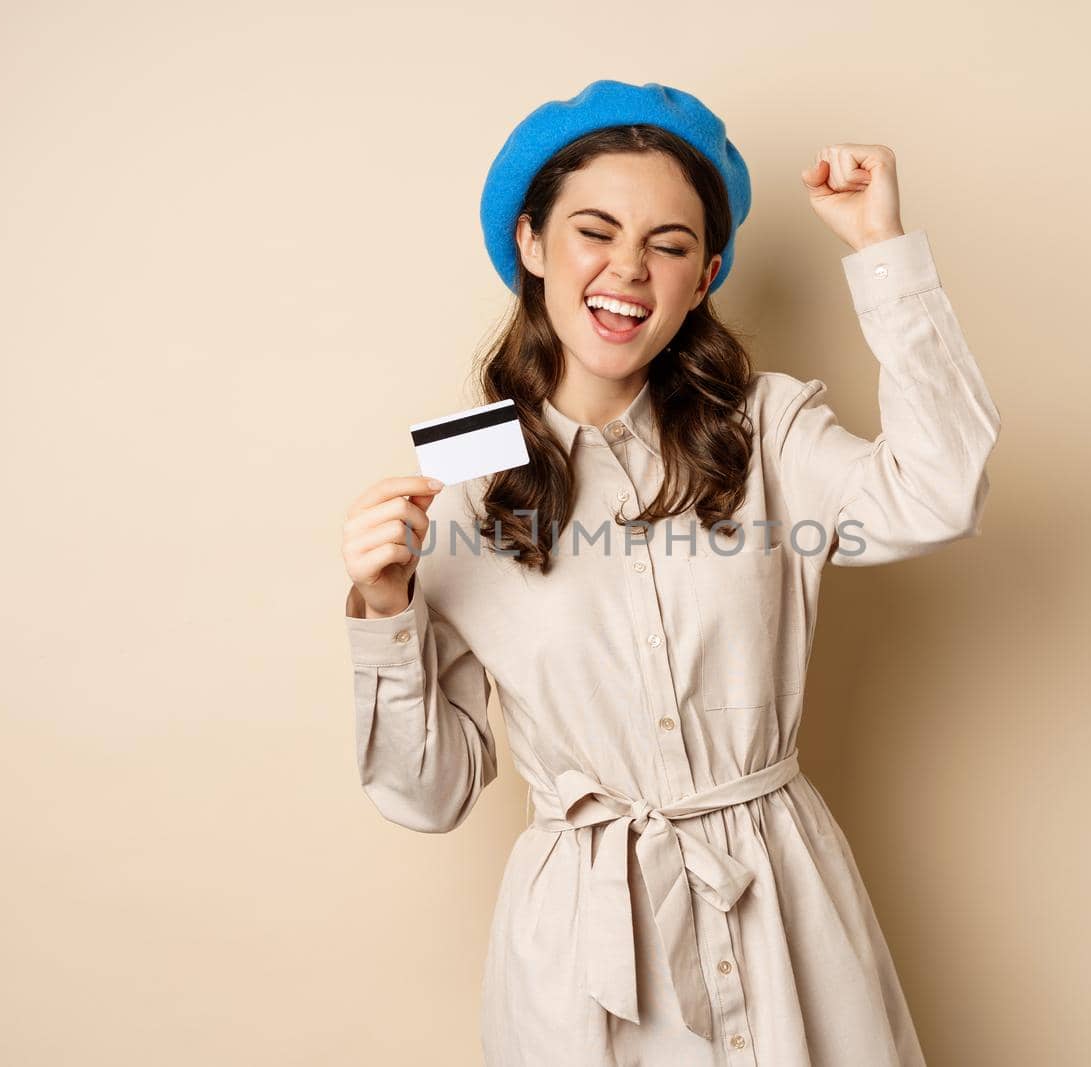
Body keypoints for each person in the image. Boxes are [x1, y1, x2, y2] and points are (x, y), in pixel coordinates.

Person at [339, 79, 1000, 1066]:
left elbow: (940, 490)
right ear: (530, 245)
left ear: (706, 275)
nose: (628, 270)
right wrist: (383, 612)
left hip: (781, 910)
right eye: (594, 231)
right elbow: (425, 794)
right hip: (583, 959)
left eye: (670, 243)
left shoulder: (764, 426)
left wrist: (883, 253)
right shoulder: (462, 474)